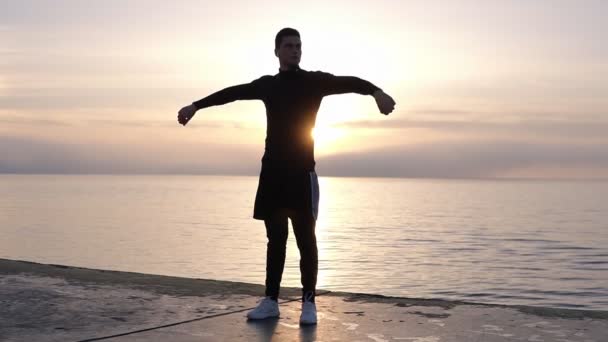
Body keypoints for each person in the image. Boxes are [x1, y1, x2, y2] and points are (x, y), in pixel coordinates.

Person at [177, 27, 395, 325]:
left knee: (306, 238)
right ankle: (271, 300)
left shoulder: (314, 81)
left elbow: (351, 82)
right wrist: (196, 106)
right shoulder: (268, 85)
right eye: (289, 45)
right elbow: (233, 93)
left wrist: (376, 92)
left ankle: (308, 302)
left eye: (299, 46)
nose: (295, 50)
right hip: (273, 173)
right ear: (277, 51)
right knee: (275, 239)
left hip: (301, 173)